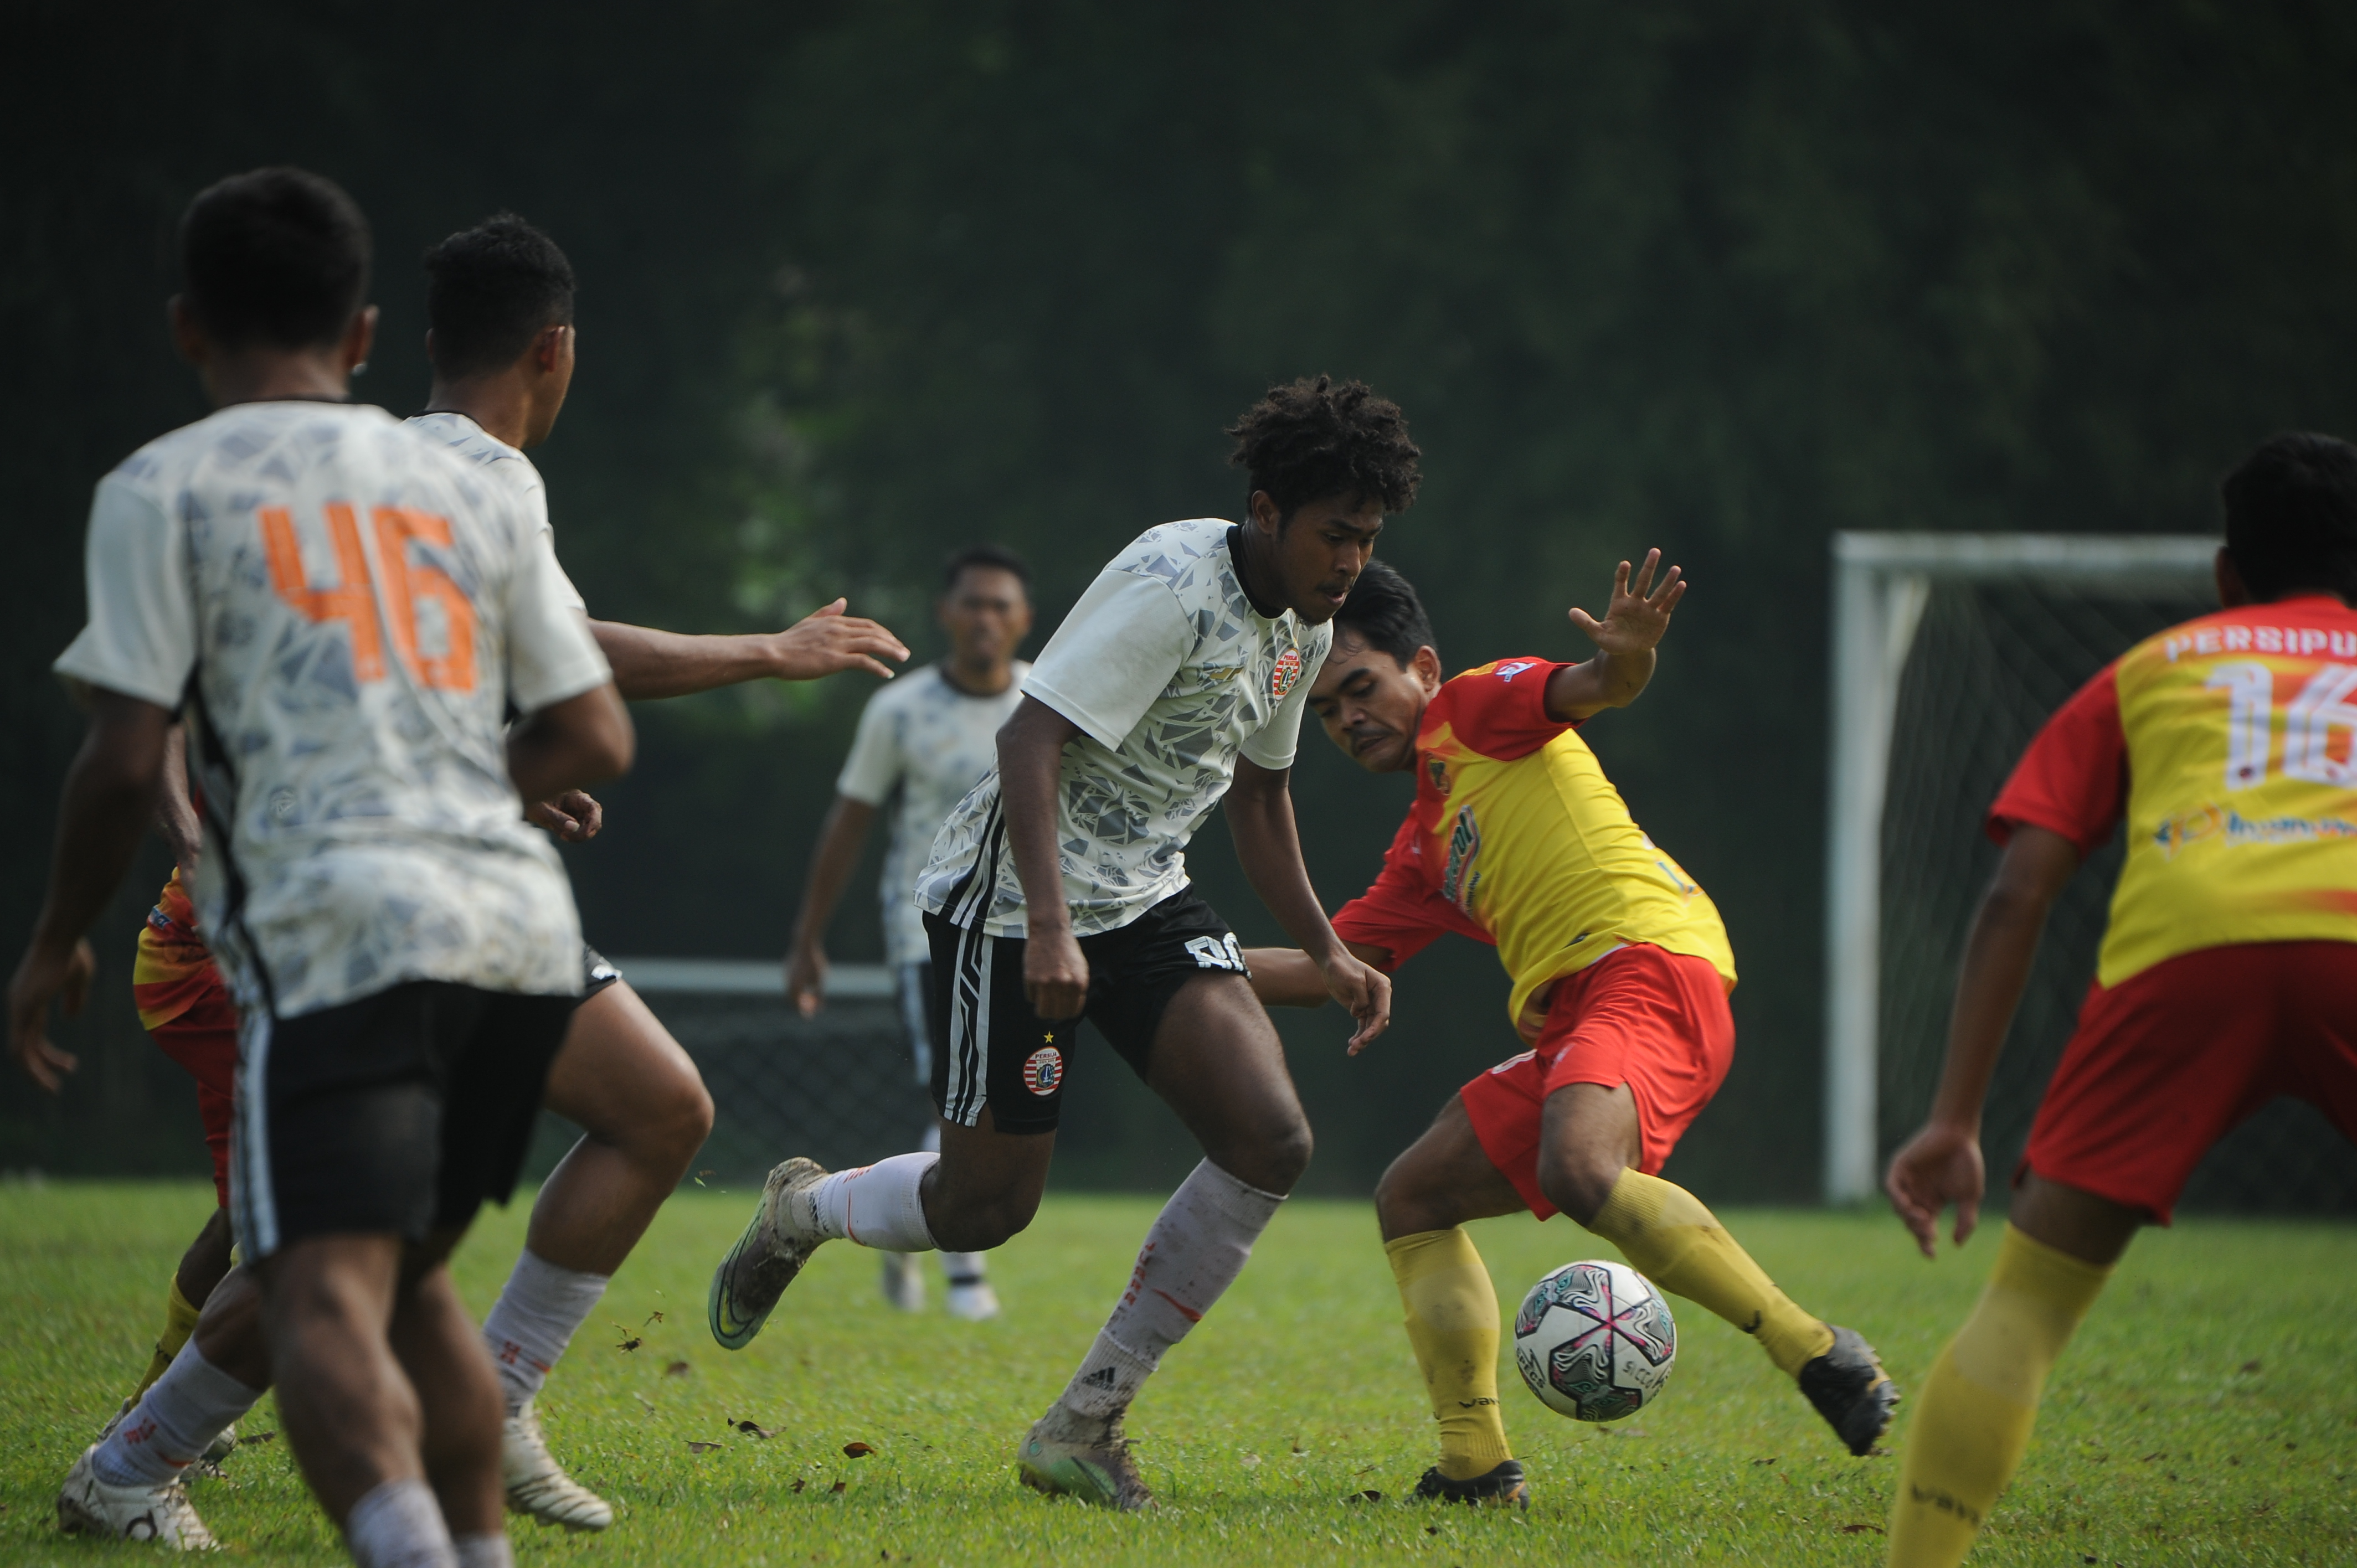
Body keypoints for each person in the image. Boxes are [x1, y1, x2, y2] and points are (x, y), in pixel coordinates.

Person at [81, 210, 912, 1541]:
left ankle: (498, 1402)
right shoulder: (478, 472)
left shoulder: (360, 467)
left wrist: (497, 768)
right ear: (554, 350)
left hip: (436, 891)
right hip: (325, 908)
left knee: (651, 1107)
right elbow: (575, 657)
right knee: (339, 1255)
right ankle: (136, 1462)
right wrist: (768, 650)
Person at [9, 168, 632, 1565]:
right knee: (404, 1290)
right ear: (359, 338)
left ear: (186, 331)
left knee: (320, 1299)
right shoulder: (463, 483)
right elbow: (591, 725)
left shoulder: (163, 487)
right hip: (518, 943)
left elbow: (121, 761)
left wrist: (56, 938)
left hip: (338, 937)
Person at [708, 374, 1410, 1510]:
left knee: (1270, 1138)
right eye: (1335, 534)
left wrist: (1324, 948)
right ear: (1268, 509)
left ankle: (1082, 1426)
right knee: (986, 1209)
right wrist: (1044, 923)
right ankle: (800, 1209)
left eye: (1368, 539)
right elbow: (1029, 738)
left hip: (1147, 898)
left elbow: (1260, 797)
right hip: (1005, 903)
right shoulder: (1170, 582)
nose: (1348, 562)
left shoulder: (1312, 623)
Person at [1247, 558, 1900, 1508]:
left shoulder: (1471, 707)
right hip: (1580, 1011)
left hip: (1648, 962)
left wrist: (1628, 659)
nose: (1348, 719)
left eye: (1360, 688)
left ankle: (1816, 1353)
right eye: (1327, 711)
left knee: (1579, 1168)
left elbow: (1596, 686)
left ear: (1422, 669)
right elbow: (1326, 970)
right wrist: (1170, 962)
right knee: (1414, 1196)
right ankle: (1475, 1467)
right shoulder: (1422, 849)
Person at [1881, 432, 2357, 1567]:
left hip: (2186, 952)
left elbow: (2016, 895)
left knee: (2025, 1314)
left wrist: (1955, 1118)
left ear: (2226, 577)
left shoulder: (2152, 671)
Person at [785, 544, 1036, 1320]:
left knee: (995, 1090)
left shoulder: (1046, 703)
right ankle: (965, 1275)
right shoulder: (899, 709)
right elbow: (849, 822)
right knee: (957, 1083)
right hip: (924, 930)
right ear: (945, 615)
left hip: (1027, 929)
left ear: (1024, 618)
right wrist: (809, 938)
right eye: (973, 604)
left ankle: (894, 1223)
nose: (986, 619)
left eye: (1002, 605)